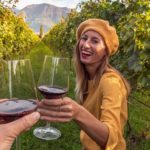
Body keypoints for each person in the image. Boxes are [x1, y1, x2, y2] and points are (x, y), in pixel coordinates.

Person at [38, 18, 130, 150]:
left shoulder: (111, 82)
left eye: (95, 41)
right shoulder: (88, 78)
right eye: (84, 38)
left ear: (106, 51)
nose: (86, 45)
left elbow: (113, 138)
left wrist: (77, 112)